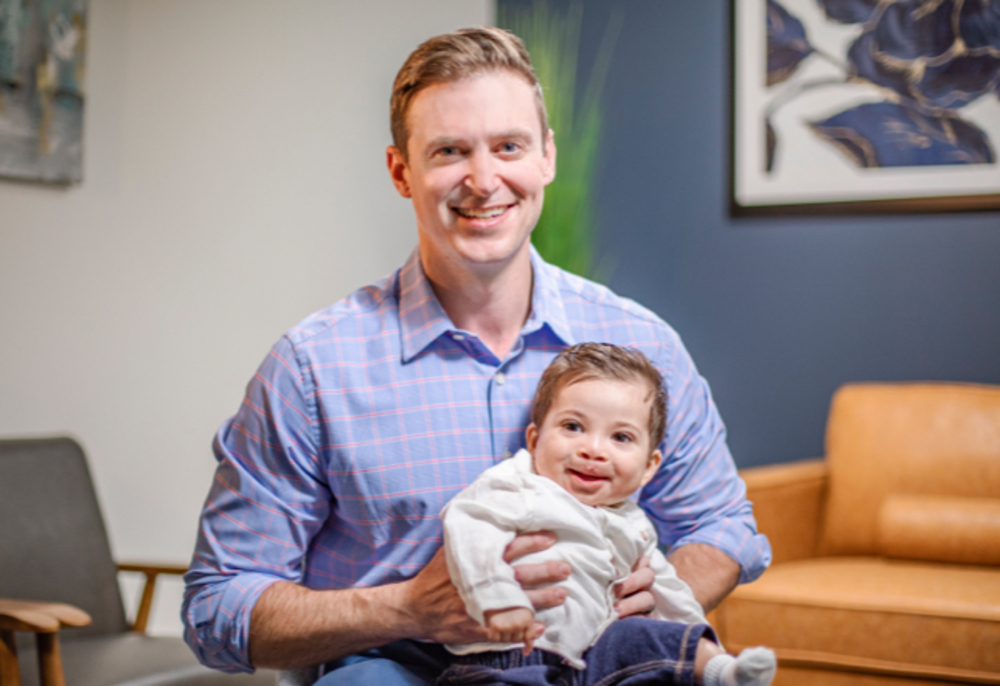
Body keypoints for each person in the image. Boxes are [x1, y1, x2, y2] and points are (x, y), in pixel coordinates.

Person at [182, 26, 771, 686]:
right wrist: (405, 608)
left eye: (509, 147)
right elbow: (217, 607)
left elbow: (723, 526)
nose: (484, 180)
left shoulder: (644, 346)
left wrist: (652, 597)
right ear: (402, 171)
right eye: (450, 151)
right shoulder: (312, 369)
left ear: (546, 156)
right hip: (392, 669)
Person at [438, 343, 776, 686]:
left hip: (595, 655)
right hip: (506, 652)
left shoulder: (633, 524)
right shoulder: (520, 486)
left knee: (642, 636)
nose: (594, 450)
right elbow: (469, 524)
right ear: (535, 440)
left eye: (621, 436)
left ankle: (724, 672)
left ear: (649, 466)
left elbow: (671, 594)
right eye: (573, 426)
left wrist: (688, 643)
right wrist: (497, 598)